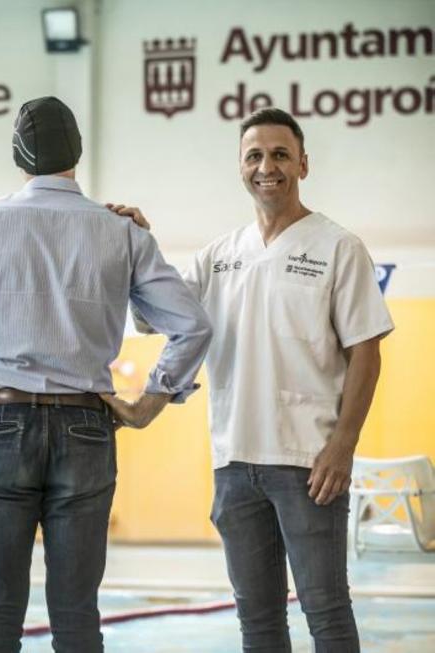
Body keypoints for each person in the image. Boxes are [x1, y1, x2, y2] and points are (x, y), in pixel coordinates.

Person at [0, 96, 212, 652]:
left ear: (18, 155)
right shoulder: (123, 231)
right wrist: (148, 403)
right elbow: (192, 326)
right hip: (87, 425)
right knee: (77, 616)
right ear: (78, 153)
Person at [110, 108, 393, 652]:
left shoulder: (339, 248)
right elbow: (155, 314)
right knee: (258, 622)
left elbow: (366, 353)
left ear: (303, 164)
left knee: (327, 612)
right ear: (241, 168)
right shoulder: (218, 257)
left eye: (280, 154)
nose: (268, 166)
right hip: (234, 465)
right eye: (255, 156)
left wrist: (342, 446)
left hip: (309, 464)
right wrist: (138, 241)